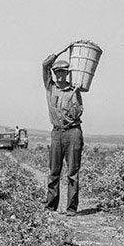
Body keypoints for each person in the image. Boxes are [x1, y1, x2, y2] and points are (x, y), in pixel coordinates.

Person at [41, 45, 84, 215]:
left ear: (67, 73)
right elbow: (44, 65)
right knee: (54, 171)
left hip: (73, 132)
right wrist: (61, 51)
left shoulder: (75, 90)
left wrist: (74, 96)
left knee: (72, 172)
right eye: (57, 71)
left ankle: (71, 208)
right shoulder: (50, 87)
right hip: (57, 133)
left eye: (62, 72)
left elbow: (78, 113)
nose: (59, 75)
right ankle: (51, 207)